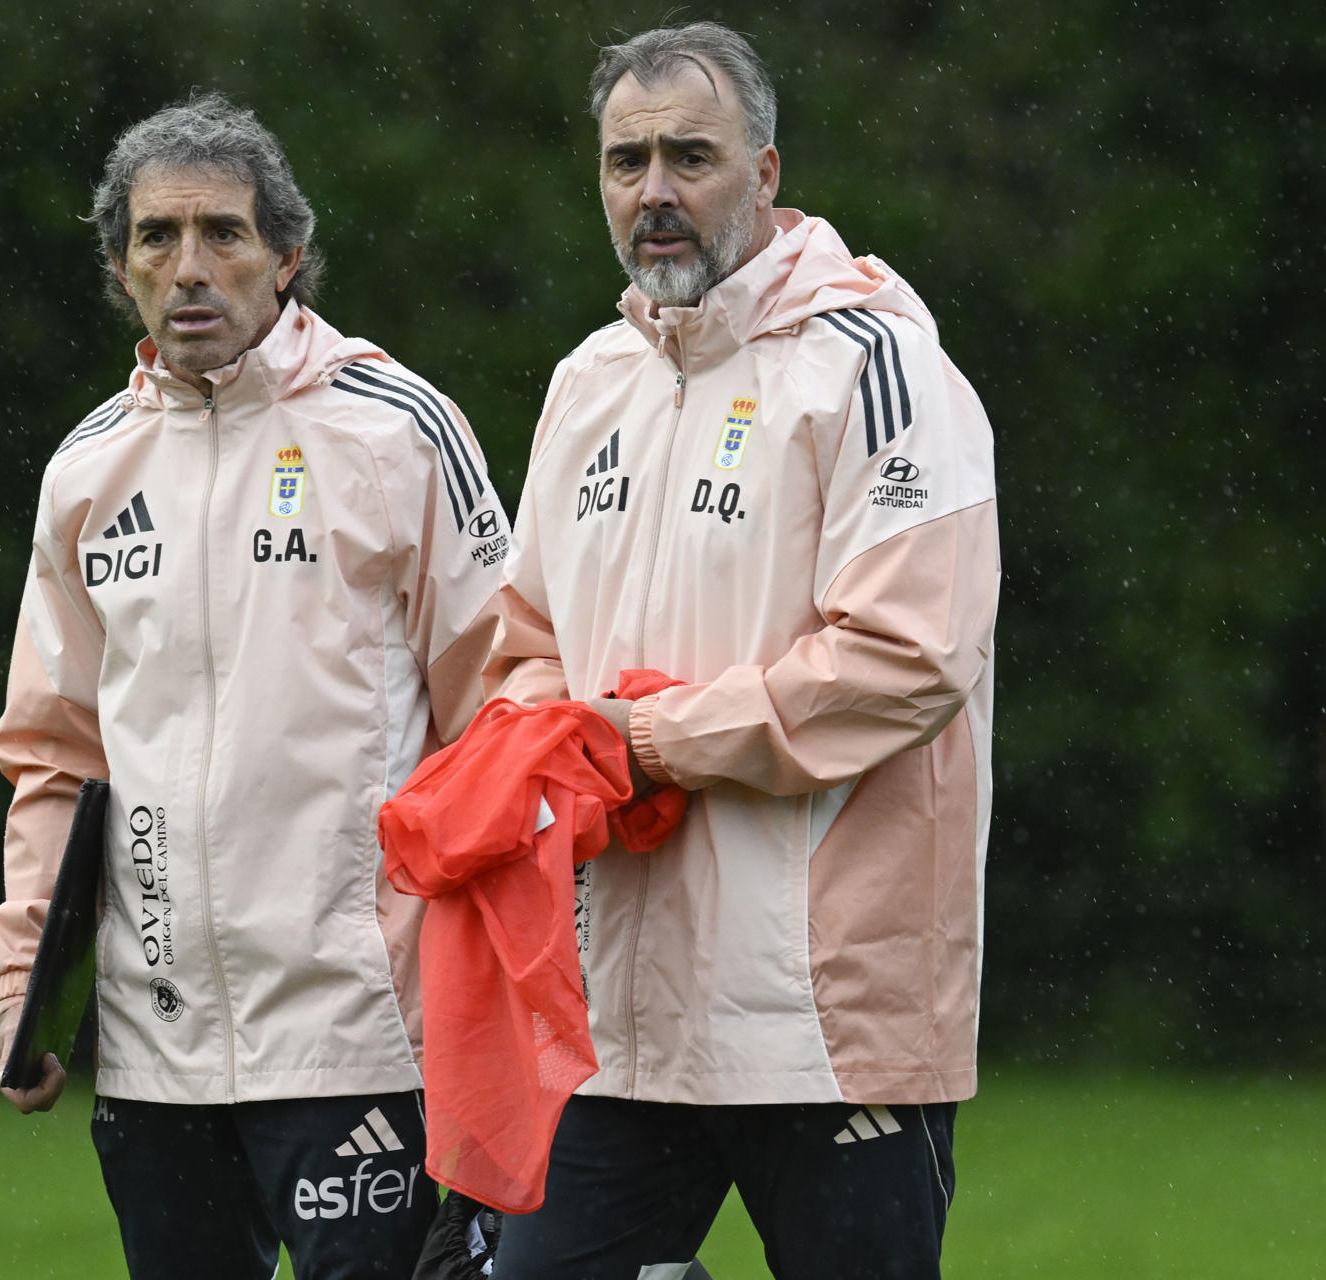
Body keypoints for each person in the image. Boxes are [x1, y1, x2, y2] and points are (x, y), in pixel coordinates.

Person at [483, 23, 1000, 1280]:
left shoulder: (878, 364)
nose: (653, 191)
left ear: (765, 173)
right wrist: (552, 743)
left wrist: (647, 742)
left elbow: (908, 655)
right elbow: (525, 648)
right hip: (618, 1013)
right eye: (625, 161)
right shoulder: (588, 380)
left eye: (690, 157)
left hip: (821, 1018)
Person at [0, 92, 512, 1279]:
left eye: (224, 232)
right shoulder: (85, 470)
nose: (190, 267)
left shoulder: (400, 432)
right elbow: (54, 753)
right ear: (122, 269)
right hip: (154, 1045)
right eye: (156, 238)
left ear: (288, 256)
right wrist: (24, 974)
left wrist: (496, 987)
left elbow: (506, 710)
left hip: (361, 1034)